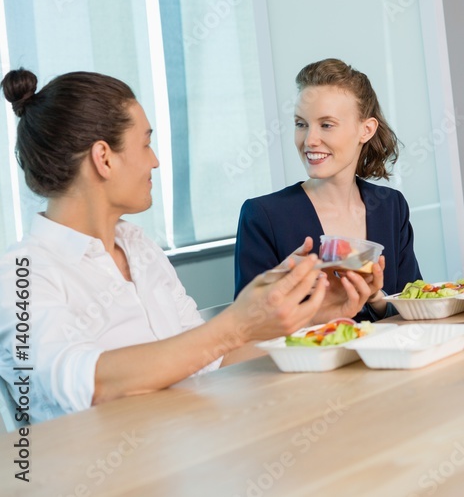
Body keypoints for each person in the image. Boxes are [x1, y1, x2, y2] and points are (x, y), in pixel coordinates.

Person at [0, 69, 373, 424]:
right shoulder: (20, 274)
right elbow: (89, 385)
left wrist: (310, 316)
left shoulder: (139, 248)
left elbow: (214, 361)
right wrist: (235, 324)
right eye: (145, 144)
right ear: (103, 158)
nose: (156, 160)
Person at [235, 59, 420, 318]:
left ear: (366, 130)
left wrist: (376, 299)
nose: (309, 140)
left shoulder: (391, 206)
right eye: (301, 124)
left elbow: (414, 304)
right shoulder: (263, 216)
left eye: (326, 125)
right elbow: (248, 327)